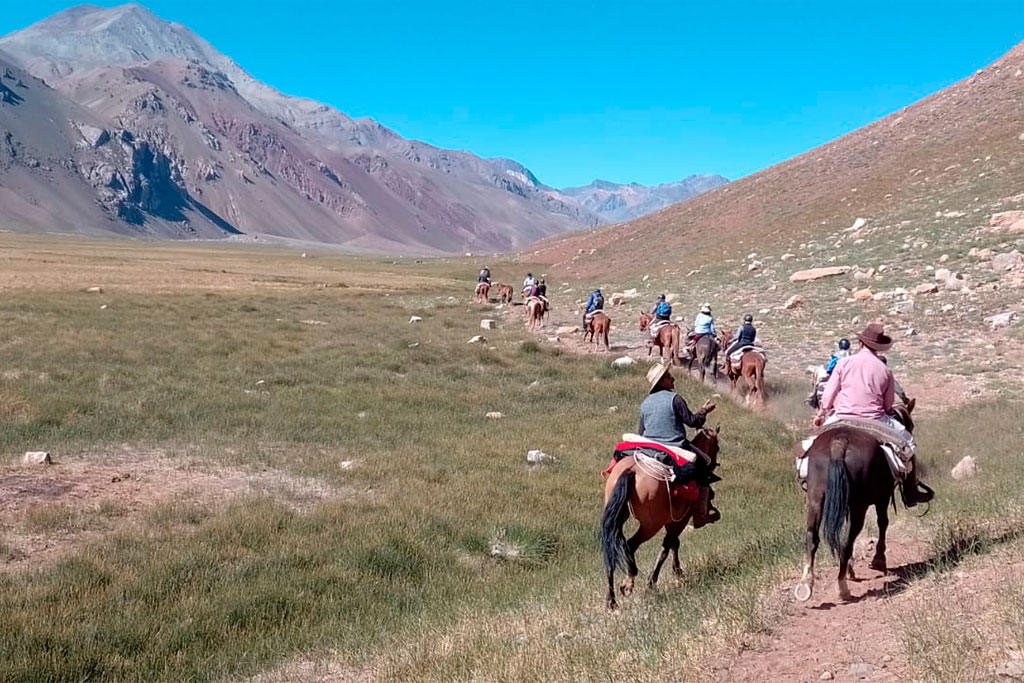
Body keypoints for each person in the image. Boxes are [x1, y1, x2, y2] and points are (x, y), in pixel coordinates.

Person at [813, 323, 933, 507]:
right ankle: (911, 493)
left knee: (812, 445)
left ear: (860, 343)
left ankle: (809, 481)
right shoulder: (885, 370)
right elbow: (887, 405)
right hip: (874, 419)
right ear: (878, 347)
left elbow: (829, 394)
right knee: (909, 445)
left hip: (842, 416)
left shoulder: (843, 363)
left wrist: (821, 414)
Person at [638, 363, 720, 527]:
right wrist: (704, 411)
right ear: (662, 382)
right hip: (674, 445)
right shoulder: (675, 399)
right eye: (669, 377)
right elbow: (692, 421)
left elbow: (641, 432)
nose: (672, 379)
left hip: (650, 448)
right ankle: (700, 515)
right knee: (706, 464)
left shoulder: (645, 403)